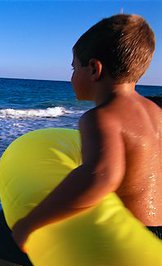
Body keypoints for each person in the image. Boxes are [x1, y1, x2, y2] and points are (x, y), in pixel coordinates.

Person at [12, 14, 162, 251]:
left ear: (94, 69)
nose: (71, 77)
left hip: (132, 240)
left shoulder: (101, 117)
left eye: (74, 68)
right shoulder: (155, 111)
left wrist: (30, 223)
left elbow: (100, 177)